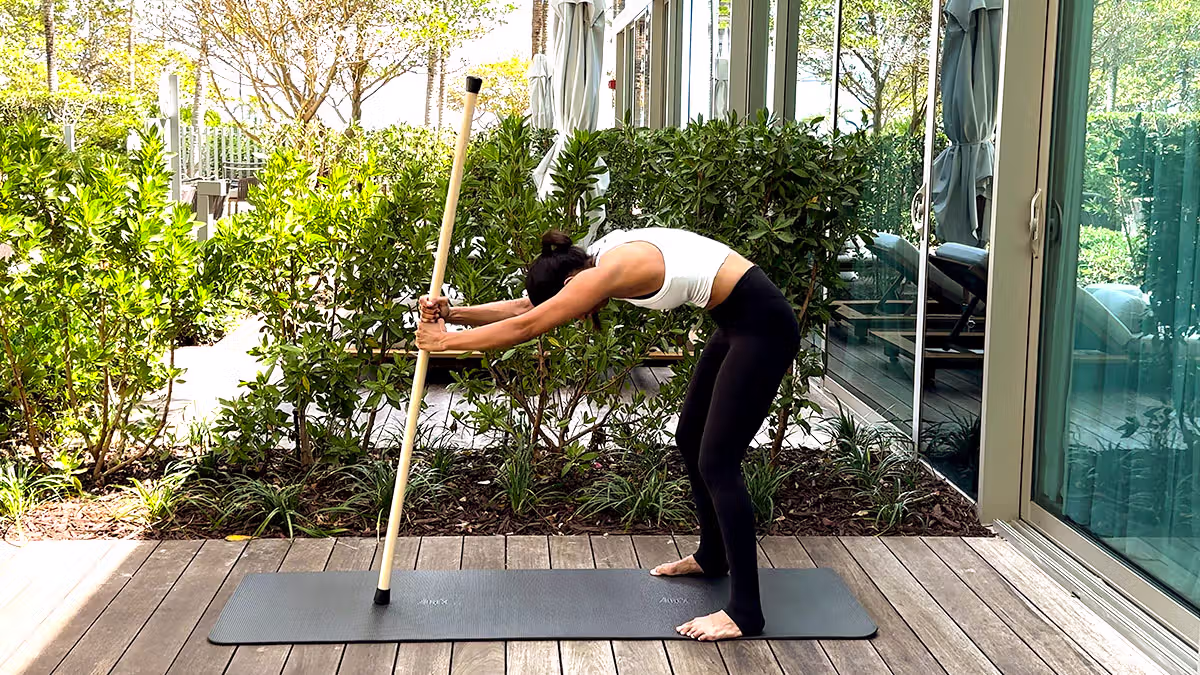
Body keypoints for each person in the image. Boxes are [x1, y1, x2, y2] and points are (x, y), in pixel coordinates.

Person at [416, 227, 801, 640]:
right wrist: (454, 314)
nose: (581, 315)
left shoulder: (606, 271)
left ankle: (745, 612)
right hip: (734, 322)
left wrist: (443, 343)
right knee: (691, 439)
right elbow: (524, 307)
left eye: (575, 308)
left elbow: (526, 327)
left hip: (764, 326)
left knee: (719, 463)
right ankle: (712, 557)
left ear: (570, 283)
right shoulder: (590, 260)